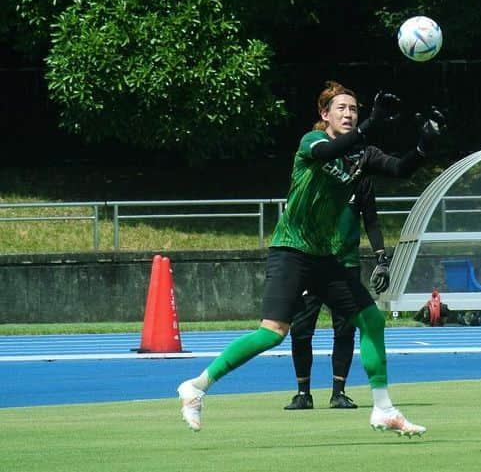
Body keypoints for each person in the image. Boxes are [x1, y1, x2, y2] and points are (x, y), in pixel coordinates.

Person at [177, 80, 444, 436]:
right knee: (273, 333)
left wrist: (426, 144)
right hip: (290, 250)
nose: (349, 114)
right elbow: (326, 154)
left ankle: (383, 409)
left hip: (324, 257)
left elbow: (400, 168)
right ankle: (196, 387)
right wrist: (370, 125)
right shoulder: (311, 142)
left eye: (354, 109)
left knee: (372, 322)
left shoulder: (361, 154)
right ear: (325, 115)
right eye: (341, 109)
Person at [282, 174, 389, 411]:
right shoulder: (311, 174)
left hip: (346, 264)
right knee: (300, 328)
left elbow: (371, 220)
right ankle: (303, 393)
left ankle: (338, 392)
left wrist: (382, 258)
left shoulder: (361, 181)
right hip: (311, 263)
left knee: (345, 329)